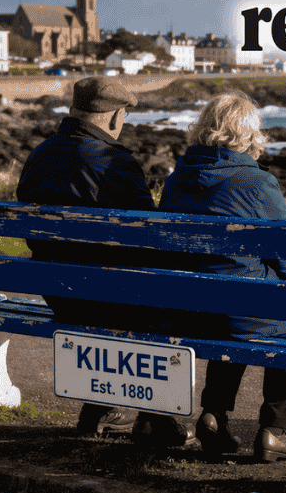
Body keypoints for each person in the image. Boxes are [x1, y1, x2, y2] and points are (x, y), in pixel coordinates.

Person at [16, 76, 192, 447]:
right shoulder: (115, 162)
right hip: (107, 294)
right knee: (156, 299)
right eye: (124, 114)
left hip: (56, 289)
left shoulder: (40, 155)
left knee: (129, 293)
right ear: (114, 117)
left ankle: (101, 410)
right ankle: (157, 421)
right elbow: (148, 238)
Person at [157, 92, 286, 462]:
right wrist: (279, 275)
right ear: (248, 134)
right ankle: (274, 430)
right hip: (234, 310)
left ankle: (215, 415)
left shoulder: (177, 180)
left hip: (184, 309)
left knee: (235, 304)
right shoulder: (257, 183)